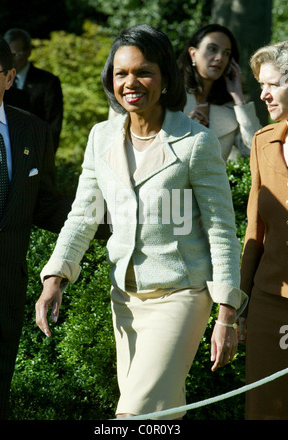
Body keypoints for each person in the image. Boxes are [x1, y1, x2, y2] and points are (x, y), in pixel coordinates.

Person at [35, 24, 247, 420]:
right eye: (121, 73)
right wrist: (54, 278)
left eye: (143, 71)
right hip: (125, 302)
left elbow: (221, 229)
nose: (131, 82)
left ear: (165, 77)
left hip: (181, 297)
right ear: (110, 79)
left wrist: (227, 312)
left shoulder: (195, 142)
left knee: (135, 415)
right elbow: (83, 214)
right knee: (162, 416)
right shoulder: (101, 138)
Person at [0, 31, 71, 420]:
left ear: (9, 76)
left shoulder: (33, 131)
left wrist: (114, 219)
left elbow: (45, 205)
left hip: (4, 292)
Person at [239, 40, 288, 420]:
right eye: (260, 85)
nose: (263, 94)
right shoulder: (263, 142)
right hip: (271, 305)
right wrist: (240, 303)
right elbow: (254, 230)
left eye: (272, 84)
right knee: (265, 410)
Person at [178, 24, 261, 162]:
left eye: (226, 53)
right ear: (193, 54)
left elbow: (255, 149)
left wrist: (239, 97)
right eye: (212, 49)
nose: (219, 58)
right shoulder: (168, 96)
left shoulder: (230, 110)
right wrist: (184, 126)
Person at [3, 28, 63, 152]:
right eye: (6, 54)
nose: (10, 59)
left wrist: (45, 157)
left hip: (34, 152)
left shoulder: (48, 82)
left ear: (28, 52)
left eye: (15, 54)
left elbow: (53, 126)